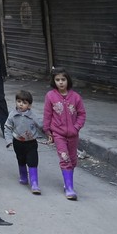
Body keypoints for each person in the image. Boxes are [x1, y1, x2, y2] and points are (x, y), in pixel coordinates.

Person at [43, 68, 86, 200]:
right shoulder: (50, 96)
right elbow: (47, 114)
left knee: (72, 160)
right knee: (64, 158)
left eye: (63, 79)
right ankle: (69, 188)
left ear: (68, 81)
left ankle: (68, 183)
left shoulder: (75, 97)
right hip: (58, 133)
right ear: (54, 81)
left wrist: (76, 127)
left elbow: (82, 114)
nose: (61, 82)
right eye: (57, 80)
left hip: (73, 134)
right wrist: (47, 130)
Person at [5, 90, 44, 194]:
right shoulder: (12, 115)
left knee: (33, 161)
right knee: (21, 159)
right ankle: (23, 176)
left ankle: (34, 183)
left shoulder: (32, 116)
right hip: (18, 142)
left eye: (24, 102)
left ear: (29, 105)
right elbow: (7, 128)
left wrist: (49, 134)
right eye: (19, 101)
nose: (21, 104)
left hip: (31, 143)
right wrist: (9, 141)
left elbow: (41, 126)